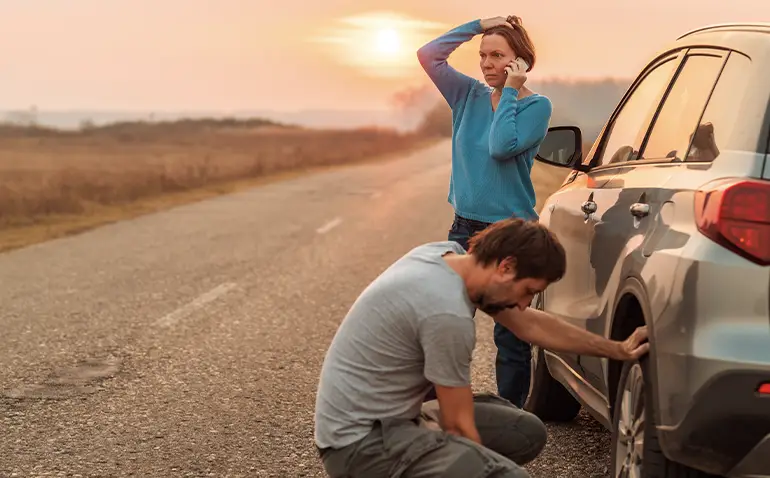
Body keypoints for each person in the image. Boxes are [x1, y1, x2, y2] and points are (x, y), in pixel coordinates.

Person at [314, 218, 649, 478]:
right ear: (505, 266)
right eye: (527, 290)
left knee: (525, 431)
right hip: (359, 445)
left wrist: (616, 349)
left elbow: (531, 324)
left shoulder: (447, 258)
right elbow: (459, 426)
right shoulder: (445, 312)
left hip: (395, 419)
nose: (524, 303)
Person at [416, 15, 552, 407]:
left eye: (498, 55)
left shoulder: (536, 107)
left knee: (509, 336)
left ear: (519, 62)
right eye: (483, 55)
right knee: (445, 323)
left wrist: (510, 91)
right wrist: (478, 25)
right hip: (464, 230)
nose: (487, 63)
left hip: (512, 234)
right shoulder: (466, 95)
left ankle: (512, 417)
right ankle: (431, 410)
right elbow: (429, 55)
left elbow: (500, 145)